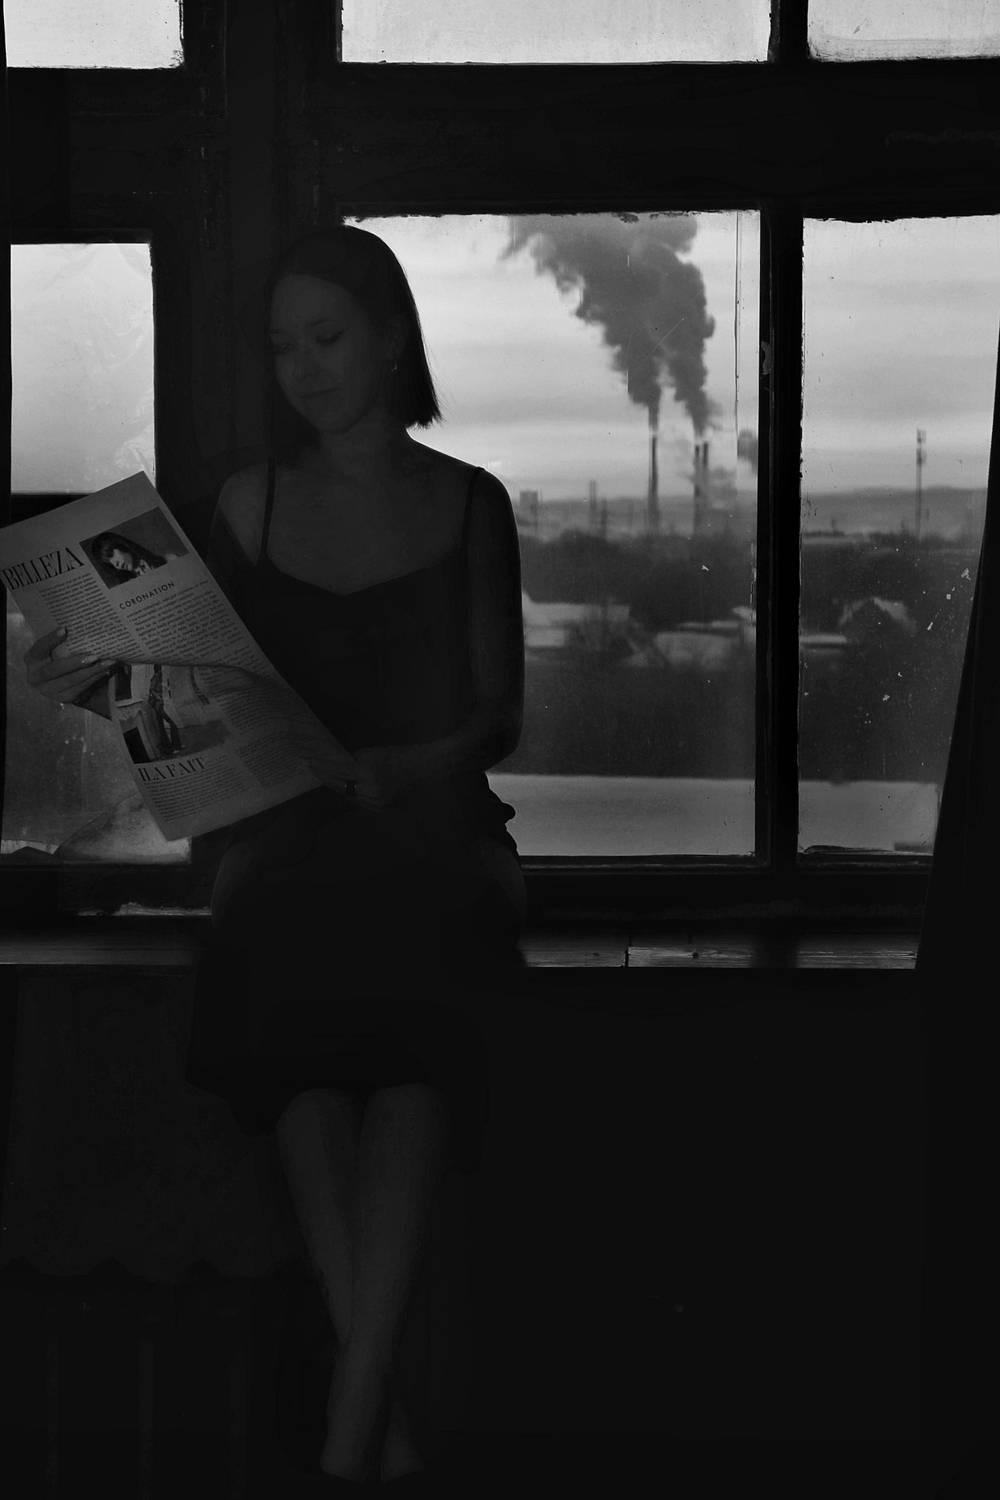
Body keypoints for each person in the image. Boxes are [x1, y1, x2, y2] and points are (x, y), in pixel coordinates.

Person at [23, 225, 527, 1491]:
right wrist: (90, 674)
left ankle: (356, 1443)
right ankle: (373, 1442)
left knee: (413, 1022)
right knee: (292, 1005)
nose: (303, 367)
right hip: (287, 842)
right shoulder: (248, 502)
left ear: (393, 338)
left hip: (427, 835)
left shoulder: (470, 499)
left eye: (328, 336)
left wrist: (405, 768)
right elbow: (184, 685)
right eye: (282, 344)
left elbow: (499, 716)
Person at [90, 529, 167, 582]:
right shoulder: (128, 583)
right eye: (109, 563)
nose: (116, 565)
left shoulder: (167, 559)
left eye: (110, 554)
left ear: (121, 546)